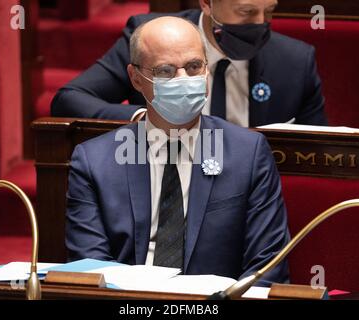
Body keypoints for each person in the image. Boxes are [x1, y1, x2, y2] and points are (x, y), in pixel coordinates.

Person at [65, 16, 290, 285]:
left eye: (194, 66)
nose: (184, 80)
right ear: (136, 78)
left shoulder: (248, 154)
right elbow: (91, 270)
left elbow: (267, 267)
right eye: (165, 71)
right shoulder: (94, 161)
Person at [51, 0, 327, 128]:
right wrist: (141, 120)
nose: (259, 25)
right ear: (207, 3)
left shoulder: (295, 62)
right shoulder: (151, 38)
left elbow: (316, 153)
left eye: (268, 12)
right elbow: (69, 99)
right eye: (246, 12)